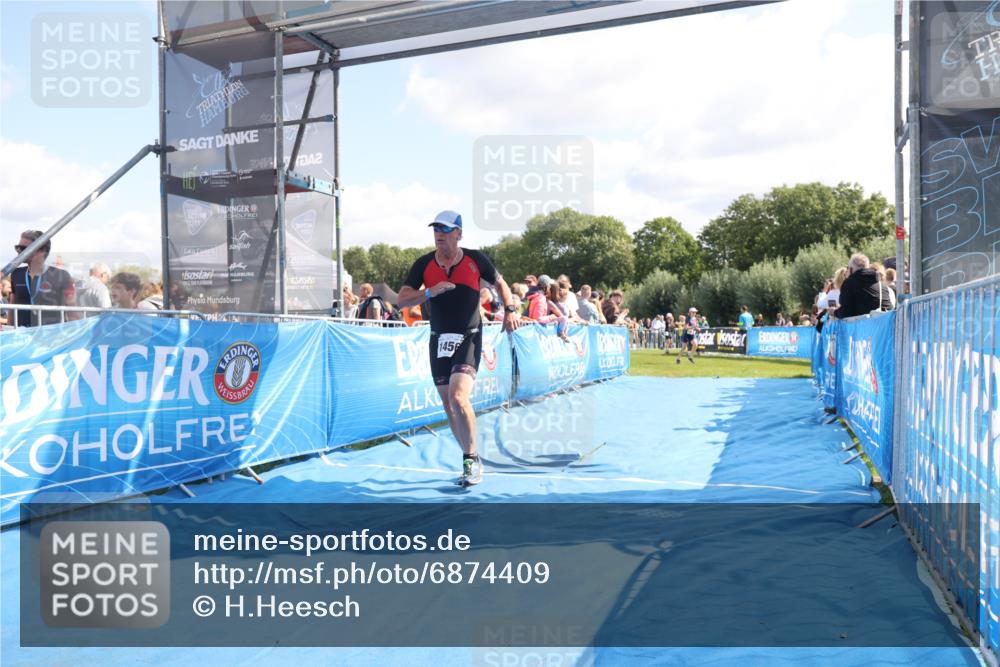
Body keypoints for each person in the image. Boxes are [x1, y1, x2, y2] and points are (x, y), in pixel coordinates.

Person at [397, 210, 519, 487]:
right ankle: (470, 454)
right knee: (448, 404)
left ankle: (470, 459)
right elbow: (402, 300)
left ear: (459, 234)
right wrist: (429, 291)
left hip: (469, 335)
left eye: (445, 229)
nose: (439, 234)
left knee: (458, 397)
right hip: (438, 338)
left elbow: (500, 283)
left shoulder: (476, 259)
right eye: (436, 229)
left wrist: (510, 309)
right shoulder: (424, 264)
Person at [9, 230, 78, 327]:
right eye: (17, 248)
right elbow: (12, 305)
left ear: (41, 251)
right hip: (22, 336)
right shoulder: (16, 274)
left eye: (23, 248)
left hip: (51, 337)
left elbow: (72, 311)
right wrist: (9, 330)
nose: (19, 251)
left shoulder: (62, 276)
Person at [835, 254, 893, 318]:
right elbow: (889, 308)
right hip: (885, 325)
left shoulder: (849, 283)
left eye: (847, 268)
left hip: (862, 326)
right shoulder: (881, 284)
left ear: (851, 269)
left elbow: (845, 312)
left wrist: (834, 312)